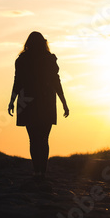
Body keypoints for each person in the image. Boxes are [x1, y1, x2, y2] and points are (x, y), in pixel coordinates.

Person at [8, 31, 69, 178]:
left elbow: (18, 82)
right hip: (46, 102)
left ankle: (36, 171)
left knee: (33, 139)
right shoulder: (49, 59)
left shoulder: (22, 60)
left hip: (27, 103)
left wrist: (12, 100)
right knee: (44, 139)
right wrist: (64, 102)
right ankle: (42, 172)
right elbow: (56, 82)